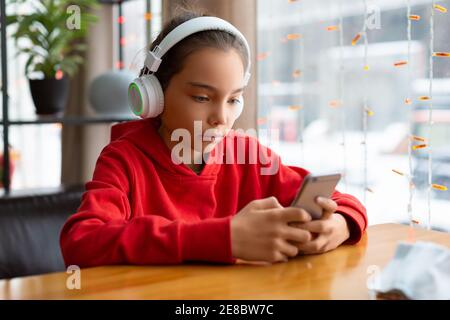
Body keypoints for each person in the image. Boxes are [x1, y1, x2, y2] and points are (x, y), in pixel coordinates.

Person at [60, 8, 367, 268]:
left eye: (234, 99)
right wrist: (223, 238)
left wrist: (339, 225)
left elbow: (344, 202)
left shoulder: (246, 154)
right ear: (154, 95)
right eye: (202, 97)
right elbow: (81, 242)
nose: (221, 118)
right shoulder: (124, 159)